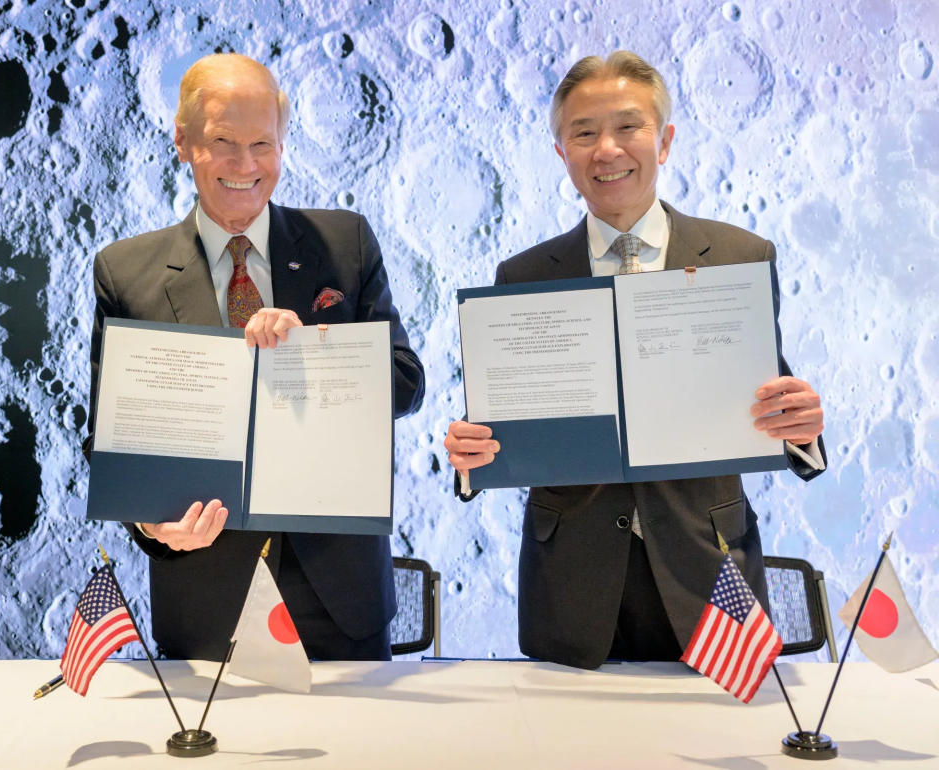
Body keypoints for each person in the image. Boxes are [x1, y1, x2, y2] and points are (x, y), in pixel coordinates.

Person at [444, 51, 825, 670]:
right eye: (584, 133)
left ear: (665, 140)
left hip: (710, 570)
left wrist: (801, 431)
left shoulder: (739, 254)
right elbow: (504, 424)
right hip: (572, 584)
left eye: (628, 127)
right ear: (561, 152)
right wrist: (470, 458)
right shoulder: (523, 276)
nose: (607, 149)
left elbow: (769, 398)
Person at [85, 53, 424, 661]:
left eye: (263, 144)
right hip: (205, 596)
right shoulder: (124, 272)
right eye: (223, 142)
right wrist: (149, 524)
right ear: (183, 142)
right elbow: (110, 442)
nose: (246, 166)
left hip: (341, 597)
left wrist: (312, 357)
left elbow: (405, 384)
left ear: (284, 142)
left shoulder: (345, 242)